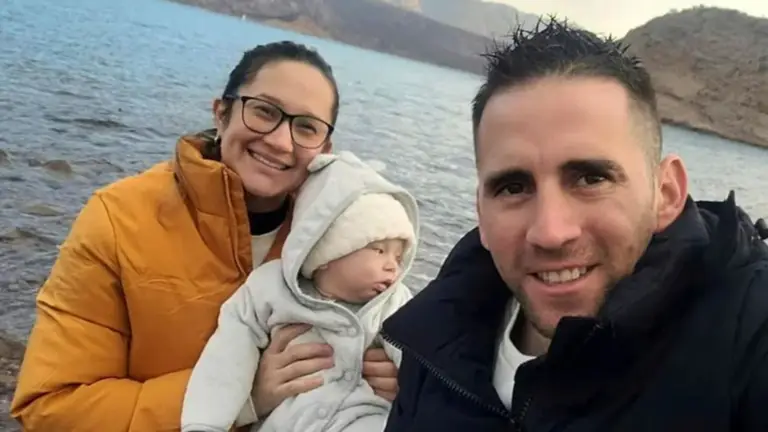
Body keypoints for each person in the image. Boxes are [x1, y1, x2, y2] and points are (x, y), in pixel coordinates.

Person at [380, 18, 768, 432]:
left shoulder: (745, 331)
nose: (550, 232)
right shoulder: (436, 335)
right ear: (481, 213)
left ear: (666, 193)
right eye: (513, 187)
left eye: (590, 179)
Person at [11, 41, 399, 432]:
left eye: (306, 127)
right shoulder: (119, 220)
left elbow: (380, 337)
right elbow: (52, 407)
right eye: (264, 111)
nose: (281, 141)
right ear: (222, 113)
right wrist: (238, 394)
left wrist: (396, 386)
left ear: (325, 149)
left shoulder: (351, 239)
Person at [181, 150, 419, 432]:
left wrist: (410, 386)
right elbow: (227, 354)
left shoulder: (395, 304)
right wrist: (206, 423)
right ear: (328, 253)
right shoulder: (270, 288)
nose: (392, 267)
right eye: (379, 250)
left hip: (362, 419)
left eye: (398, 257)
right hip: (287, 421)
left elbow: (424, 362)